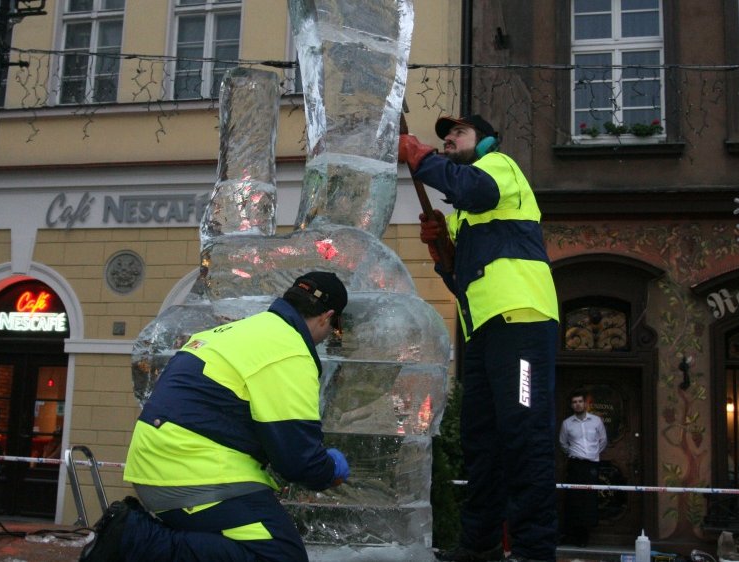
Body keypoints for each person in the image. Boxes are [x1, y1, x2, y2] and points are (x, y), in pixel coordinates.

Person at [80, 272, 351, 562]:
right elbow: (297, 460)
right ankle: (134, 540)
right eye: (334, 329)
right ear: (327, 317)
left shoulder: (239, 332)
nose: (328, 338)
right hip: (193, 471)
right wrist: (330, 468)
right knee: (280, 556)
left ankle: (135, 537)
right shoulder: (289, 350)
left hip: (159, 462)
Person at [399, 115, 559, 562]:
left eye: (458, 135)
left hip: (522, 322)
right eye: (444, 138)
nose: (448, 140)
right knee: (482, 441)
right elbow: (466, 283)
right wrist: (445, 258)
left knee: (524, 436)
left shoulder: (499, 168)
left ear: (484, 141)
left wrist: (419, 154)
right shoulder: (470, 215)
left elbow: (471, 187)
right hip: (487, 329)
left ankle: (533, 549)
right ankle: (480, 544)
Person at [558, 389, 608, 547]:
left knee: (589, 499)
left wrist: (592, 455)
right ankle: (574, 535)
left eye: (580, 401)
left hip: (591, 464)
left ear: (585, 404)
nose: (578, 404)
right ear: (571, 405)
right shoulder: (567, 423)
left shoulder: (596, 421)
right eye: (574, 402)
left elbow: (603, 440)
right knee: (575, 500)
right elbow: (563, 444)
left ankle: (585, 536)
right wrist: (575, 454)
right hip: (575, 464)